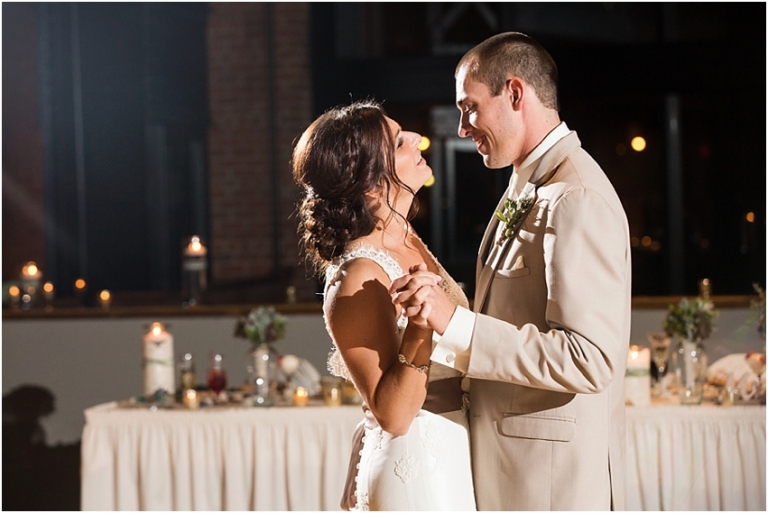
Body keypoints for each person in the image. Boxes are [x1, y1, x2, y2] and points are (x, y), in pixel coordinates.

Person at [392, 32, 632, 510]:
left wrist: (456, 325)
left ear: (516, 93)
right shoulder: (528, 186)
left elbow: (590, 359)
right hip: (512, 469)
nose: (463, 127)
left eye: (470, 107)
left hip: (549, 485)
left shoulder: (576, 196)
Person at [292, 100, 477, 511]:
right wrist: (420, 326)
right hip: (415, 466)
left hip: (455, 448)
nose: (415, 138)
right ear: (372, 185)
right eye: (397, 143)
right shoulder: (357, 276)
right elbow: (394, 414)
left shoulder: (408, 237)